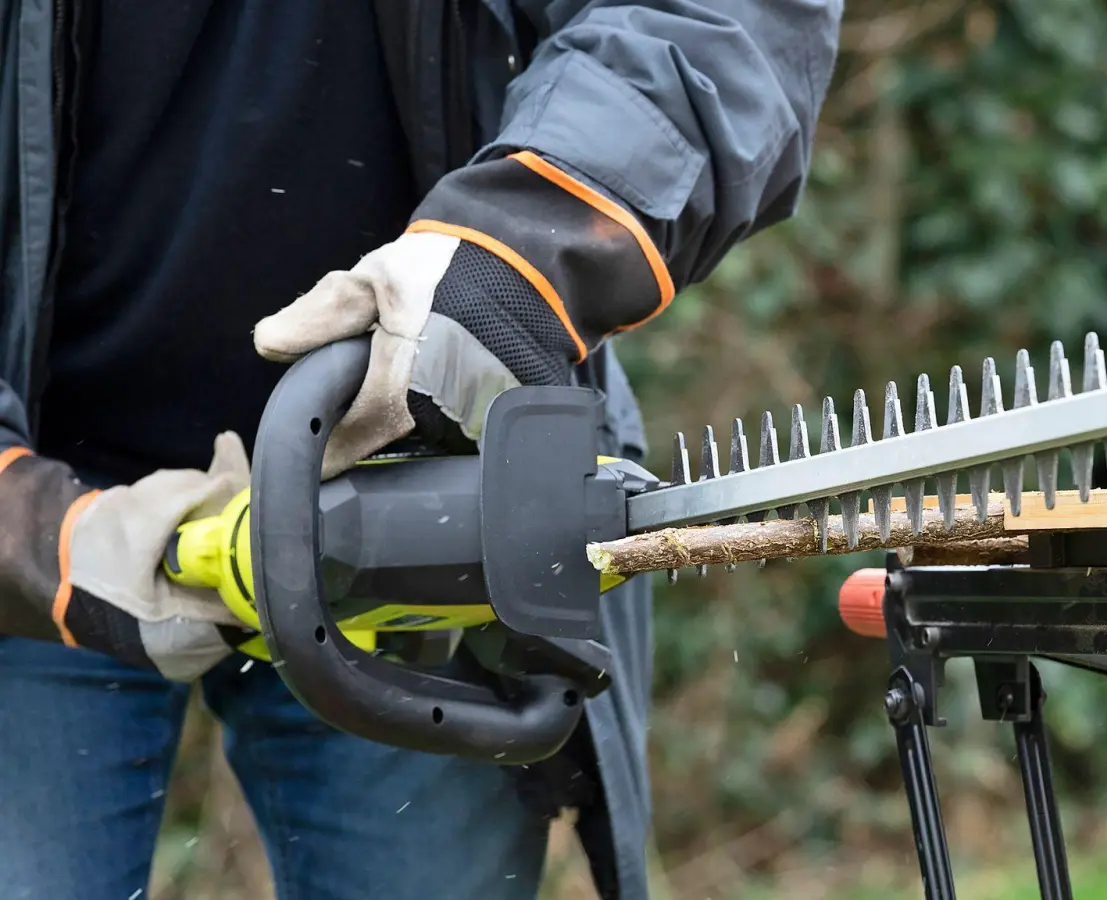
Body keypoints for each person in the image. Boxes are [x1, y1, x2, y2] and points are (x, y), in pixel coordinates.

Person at [0, 1, 840, 898]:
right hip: (48, 505)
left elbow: (710, 21)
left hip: (438, 504)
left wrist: (522, 254)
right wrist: (34, 536)